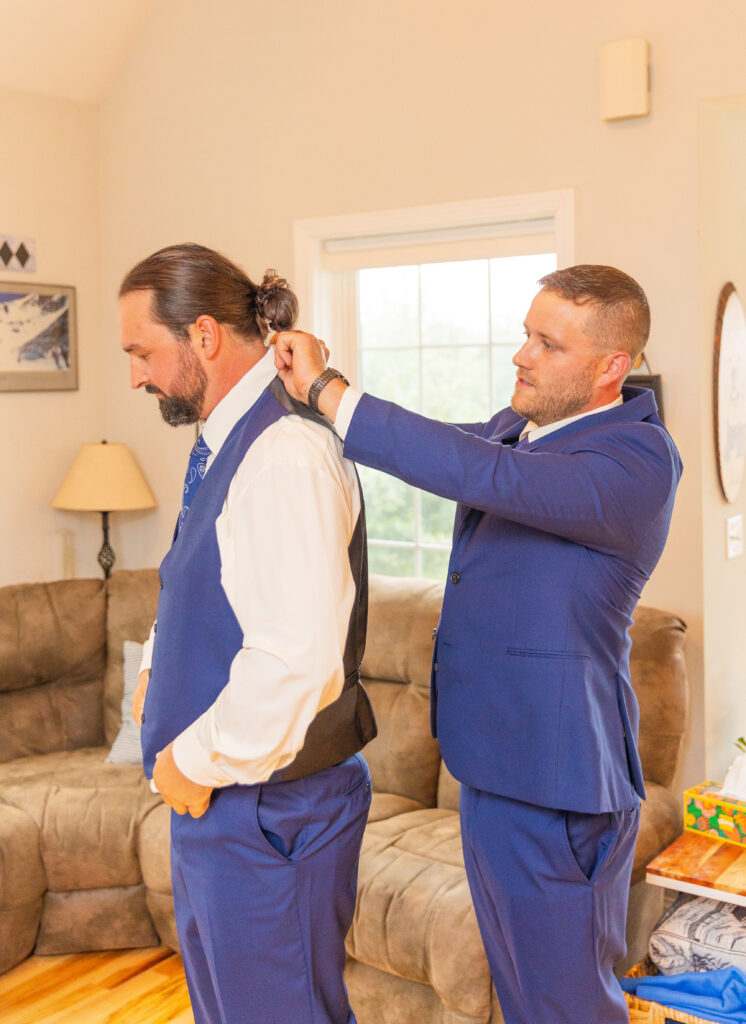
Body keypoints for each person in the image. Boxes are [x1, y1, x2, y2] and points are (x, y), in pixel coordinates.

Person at [273, 264, 682, 1024]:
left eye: (548, 344)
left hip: (559, 784)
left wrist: (330, 387)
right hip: (497, 768)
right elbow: (444, 446)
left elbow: (478, 471)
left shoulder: (636, 461)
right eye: (527, 334)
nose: (521, 355)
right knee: (526, 1000)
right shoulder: (522, 430)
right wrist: (313, 410)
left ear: (610, 367)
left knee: (566, 1008)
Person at [118, 242, 376, 1024]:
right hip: (226, 806)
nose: (135, 376)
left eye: (141, 352)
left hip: (268, 809)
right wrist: (157, 670)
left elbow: (296, 660)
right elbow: (211, 578)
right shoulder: (226, 444)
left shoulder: (284, 454)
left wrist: (192, 762)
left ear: (202, 335)